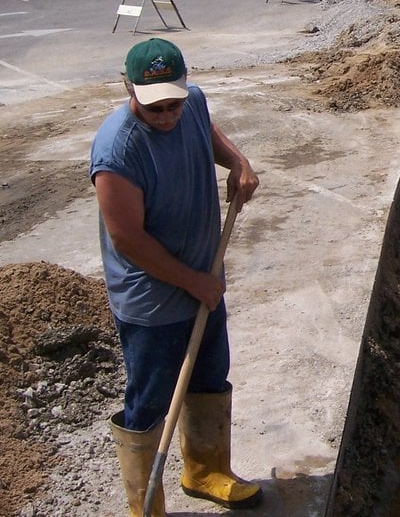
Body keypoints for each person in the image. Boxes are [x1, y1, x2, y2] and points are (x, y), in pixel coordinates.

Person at [90, 38, 261, 516]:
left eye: (173, 103)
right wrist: (191, 281)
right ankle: (145, 505)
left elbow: (207, 134)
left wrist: (239, 164)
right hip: (152, 298)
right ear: (130, 89)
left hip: (203, 277)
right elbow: (128, 240)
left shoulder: (192, 103)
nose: (167, 115)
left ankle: (205, 472)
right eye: (155, 108)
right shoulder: (117, 150)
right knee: (149, 403)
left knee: (209, 377)